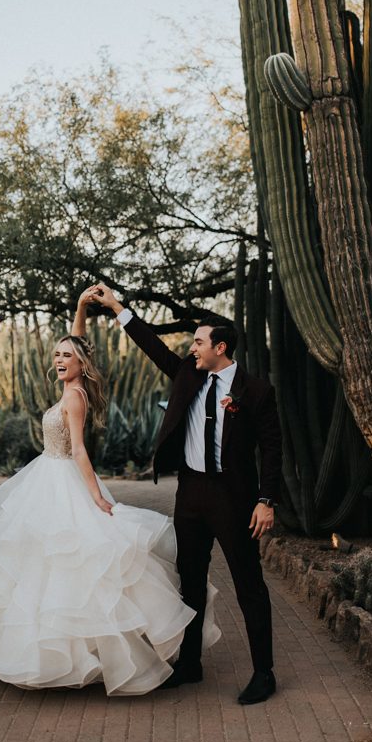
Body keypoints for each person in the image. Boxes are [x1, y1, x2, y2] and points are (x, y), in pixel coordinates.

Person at [0, 328, 220, 695]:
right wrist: (81, 305)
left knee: (71, 566)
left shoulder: (75, 397)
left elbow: (78, 450)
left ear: (81, 363)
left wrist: (97, 497)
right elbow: (77, 336)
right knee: (39, 566)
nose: (59, 360)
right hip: (47, 477)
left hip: (64, 479)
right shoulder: (67, 389)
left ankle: (82, 658)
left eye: (67, 356)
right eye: (57, 355)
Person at [79, 283, 281, 705]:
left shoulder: (255, 390)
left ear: (220, 347)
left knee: (249, 585)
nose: (192, 348)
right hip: (190, 493)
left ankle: (264, 673)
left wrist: (266, 500)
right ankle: (190, 664)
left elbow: (272, 449)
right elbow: (152, 345)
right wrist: (117, 306)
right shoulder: (189, 374)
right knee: (188, 582)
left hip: (234, 497)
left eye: (199, 342)